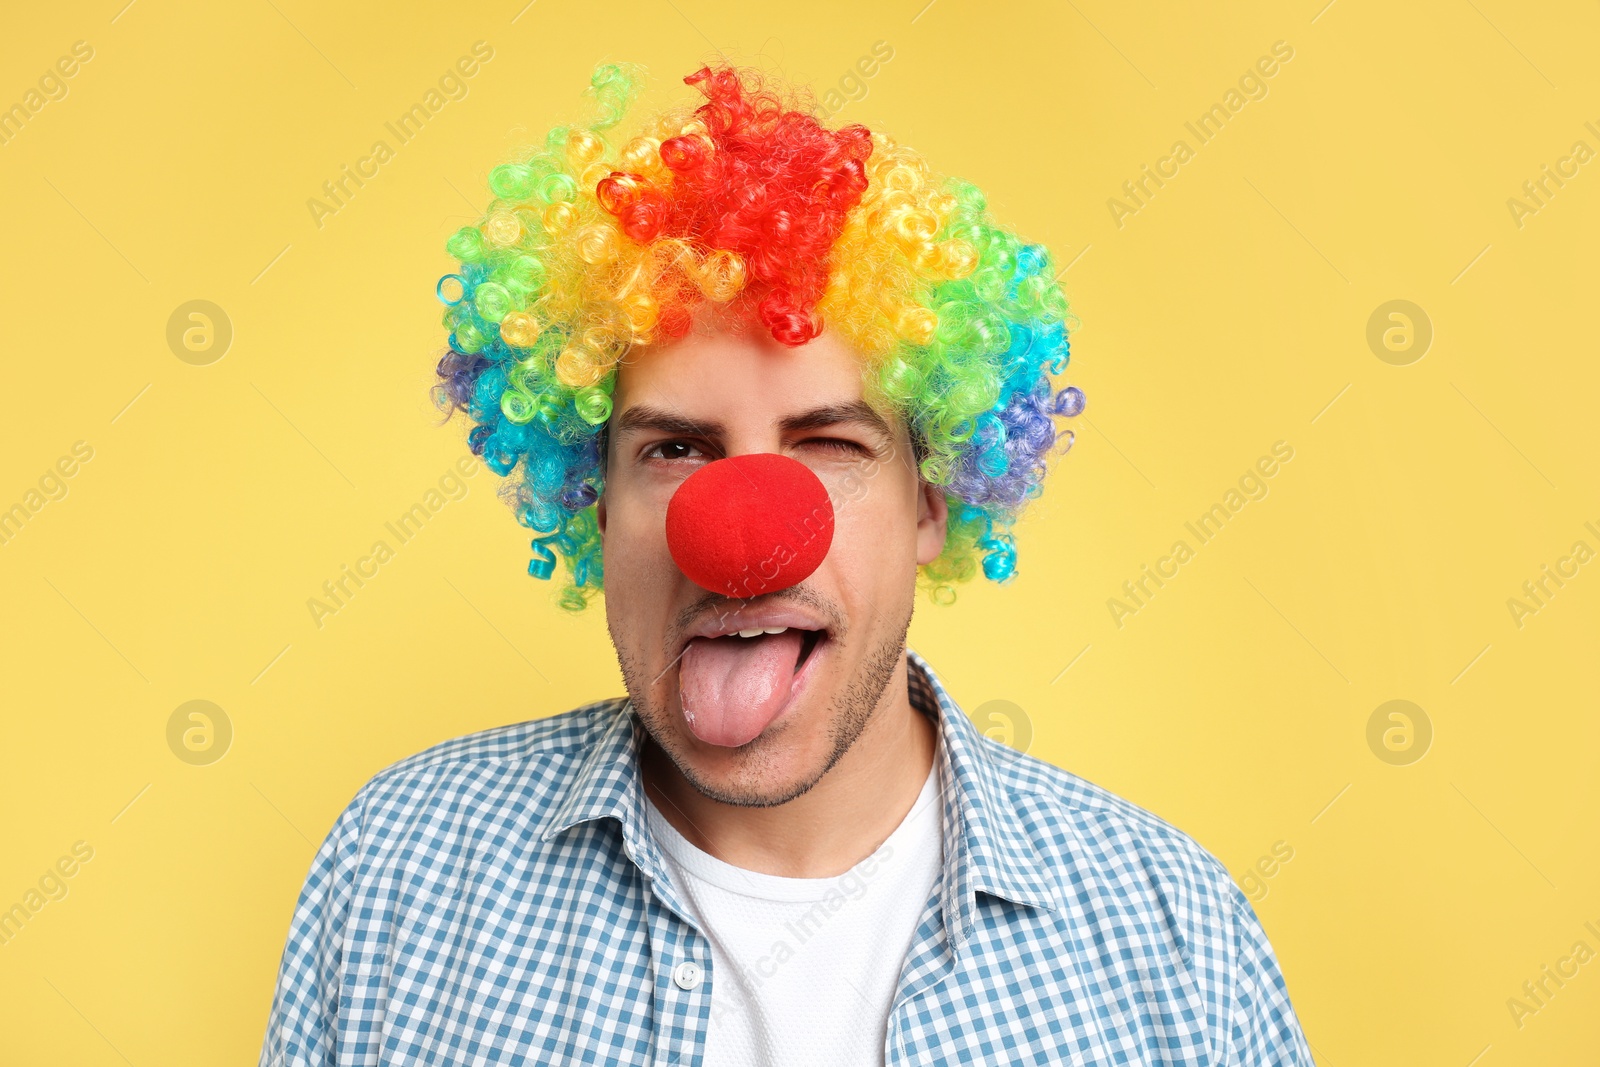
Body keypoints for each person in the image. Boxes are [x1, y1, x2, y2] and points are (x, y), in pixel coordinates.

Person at [258, 61, 1313, 1065]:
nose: (746, 533)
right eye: (674, 449)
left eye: (829, 445)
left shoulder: (1175, 936)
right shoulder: (400, 867)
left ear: (931, 503)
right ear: (594, 498)